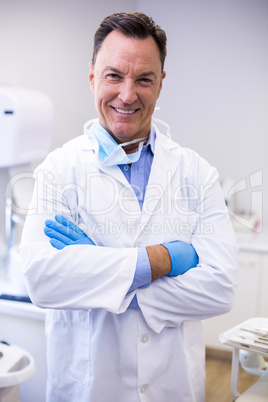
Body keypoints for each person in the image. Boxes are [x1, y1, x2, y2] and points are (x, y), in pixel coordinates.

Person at [20, 12, 238, 402]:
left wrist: (98, 266)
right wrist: (160, 261)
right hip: (88, 388)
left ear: (161, 84)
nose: (127, 94)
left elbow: (219, 290)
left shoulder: (197, 173)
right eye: (113, 75)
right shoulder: (59, 169)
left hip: (172, 387)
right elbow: (41, 279)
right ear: (92, 77)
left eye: (143, 79)